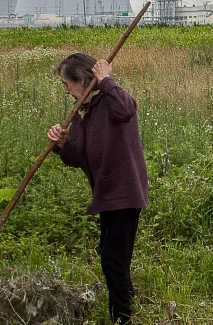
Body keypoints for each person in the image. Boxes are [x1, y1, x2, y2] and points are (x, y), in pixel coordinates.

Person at [47, 53, 147, 324]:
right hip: (106, 194)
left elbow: (128, 109)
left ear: (82, 80)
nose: (66, 90)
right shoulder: (84, 113)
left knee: (113, 258)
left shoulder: (111, 101)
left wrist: (106, 80)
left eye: (67, 83)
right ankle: (126, 300)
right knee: (112, 253)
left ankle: (122, 316)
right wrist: (61, 143)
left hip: (124, 193)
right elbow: (76, 158)